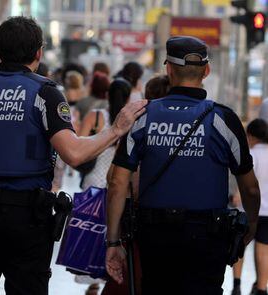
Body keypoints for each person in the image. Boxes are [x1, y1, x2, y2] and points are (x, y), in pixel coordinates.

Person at [0, 16, 146, 295]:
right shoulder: (45, 93)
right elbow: (74, 153)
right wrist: (116, 130)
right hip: (28, 218)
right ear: (39, 52)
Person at [106, 36, 261, 295]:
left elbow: (116, 181)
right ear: (206, 71)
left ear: (168, 69)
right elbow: (251, 188)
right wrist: (251, 226)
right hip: (208, 237)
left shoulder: (144, 117)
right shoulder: (223, 119)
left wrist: (113, 241)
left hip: (155, 236)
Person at [77, 71, 130, 295]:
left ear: (107, 95)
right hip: (116, 183)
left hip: (92, 181)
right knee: (112, 231)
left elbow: (78, 145)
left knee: (91, 230)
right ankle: (109, 274)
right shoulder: (130, 121)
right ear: (128, 98)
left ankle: (91, 279)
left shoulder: (96, 116)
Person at [231, 119, 268, 295]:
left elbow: (247, 184)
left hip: (249, 210)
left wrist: (237, 195)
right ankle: (261, 289)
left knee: (240, 246)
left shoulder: (251, 154)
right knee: (264, 251)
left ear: (251, 136)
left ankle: (237, 285)